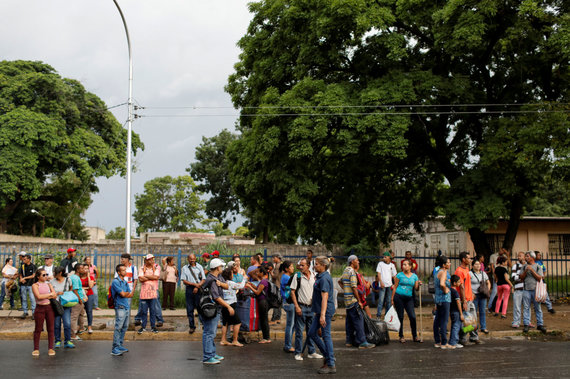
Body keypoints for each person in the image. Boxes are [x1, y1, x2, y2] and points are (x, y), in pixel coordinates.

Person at [308, 256, 336, 374]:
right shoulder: (320, 277)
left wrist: (323, 315)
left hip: (324, 311)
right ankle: (328, 356)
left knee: (326, 336)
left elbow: (325, 297)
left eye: (317, 264)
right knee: (312, 333)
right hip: (319, 311)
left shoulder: (324, 278)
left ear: (323, 265)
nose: (315, 266)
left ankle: (331, 364)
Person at [201, 258, 232, 364]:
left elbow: (227, 286)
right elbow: (216, 297)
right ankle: (208, 356)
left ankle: (212, 353)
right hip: (210, 309)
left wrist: (221, 284)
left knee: (211, 332)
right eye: (221, 266)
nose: (222, 268)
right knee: (209, 332)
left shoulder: (218, 277)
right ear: (218, 267)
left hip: (215, 308)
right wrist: (228, 306)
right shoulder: (211, 280)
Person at [340, 255, 374, 349]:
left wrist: (346, 290)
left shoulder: (345, 270)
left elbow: (340, 281)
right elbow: (354, 287)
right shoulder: (352, 272)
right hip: (353, 300)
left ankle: (349, 341)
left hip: (347, 301)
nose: (358, 262)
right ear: (352, 262)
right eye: (357, 260)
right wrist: (359, 301)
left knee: (350, 322)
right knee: (359, 320)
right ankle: (362, 341)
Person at [290, 258, 321, 361]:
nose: (301, 267)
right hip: (301, 307)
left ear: (308, 266)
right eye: (300, 265)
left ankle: (311, 351)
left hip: (312, 308)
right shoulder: (297, 276)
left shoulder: (314, 276)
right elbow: (293, 292)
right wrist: (297, 306)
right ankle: (298, 352)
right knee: (299, 331)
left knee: (311, 331)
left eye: (303, 265)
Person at [391, 259, 422, 343]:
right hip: (399, 297)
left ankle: (415, 336)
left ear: (410, 266)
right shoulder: (399, 275)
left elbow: (416, 288)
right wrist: (392, 299)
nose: (403, 266)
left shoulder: (414, 276)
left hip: (409, 298)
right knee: (400, 317)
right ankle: (401, 336)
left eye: (405, 264)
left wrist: (418, 284)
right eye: (403, 265)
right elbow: (395, 287)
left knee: (412, 316)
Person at [454, 252, 479, 345]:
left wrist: (471, 293)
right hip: (465, 300)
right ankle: (463, 338)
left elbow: (467, 284)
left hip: (469, 299)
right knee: (467, 321)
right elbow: (461, 287)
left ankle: (474, 336)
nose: (470, 260)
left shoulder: (467, 269)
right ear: (463, 259)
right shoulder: (459, 271)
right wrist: (464, 301)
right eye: (468, 258)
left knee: (473, 320)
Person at [31, 268, 57, 356]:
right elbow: (38, 296)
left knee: (51, 328)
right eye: (43, 275)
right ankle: (36, 348)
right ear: (38, 276)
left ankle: (50, 348)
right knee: (38, 329)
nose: (46, 276)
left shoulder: (49, 284)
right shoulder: (35, 285)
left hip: (49, 307)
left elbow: (54, 295)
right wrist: (49, 295)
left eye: (46, 274)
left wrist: (47, 295)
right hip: (39, 308)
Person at [218, 266, 246, 347]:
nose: (233, 275)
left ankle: (223, 340)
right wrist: (244, 279)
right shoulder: (230, 283)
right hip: (231, 305)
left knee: (225, 323)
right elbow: (241, 286)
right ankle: (235, 340)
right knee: (237, 323)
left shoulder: (222, 283)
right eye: (231, 273)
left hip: (224, 305)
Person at [519, 251, 546, 334]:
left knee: (537, 308)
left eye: (527, 256)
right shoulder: (524, 267)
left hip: (535, 290)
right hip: (526, 289)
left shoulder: (538, 266)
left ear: (532, 257)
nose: (525, 258)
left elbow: (540, 278)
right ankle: (526, 324)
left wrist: (532, 270)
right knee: (526, 307)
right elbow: (521, 278)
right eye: (526, 256)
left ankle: (540, 324)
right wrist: (526, 271)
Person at [110, 264, 134, 356]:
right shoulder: (116, 282)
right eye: (123, 270)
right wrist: (125, 293)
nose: (125, 272)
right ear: (119, 272)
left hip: (126, 306)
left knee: (124, 327)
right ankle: (114, 348)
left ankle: (120, 345)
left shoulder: (124, 282)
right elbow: (123, 294)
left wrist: (125, 293)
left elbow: (130, 294)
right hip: (120, 307)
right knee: (118, 327)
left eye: (125, 270)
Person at [246, 266, 272, 343]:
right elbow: (258, 288)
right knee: (264, 319)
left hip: (263, 302)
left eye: (258, 272)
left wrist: (249, 287)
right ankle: (267, 337)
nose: (257, 273)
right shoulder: (263, 281)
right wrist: (252, 285)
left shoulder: (263, 282)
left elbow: (257, 292)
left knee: (264, 320)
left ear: (262, 273)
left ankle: (266, 338)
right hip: (263, 302)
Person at [181, 253, 205, 334]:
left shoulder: (200, 267)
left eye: (193, 258)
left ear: (195, 258)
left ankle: (204, 325)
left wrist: (197, 287)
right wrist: (194, 285)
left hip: (199, 289)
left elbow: (203, 279)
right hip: (189, 289)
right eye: (191, 259)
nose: (192, 260)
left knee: (200, 307)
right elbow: (184, 280)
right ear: (188, 259)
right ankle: (192, 326)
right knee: (189, 309)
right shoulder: (184, 268)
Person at [51, 267, 74, 349]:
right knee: (56, 324)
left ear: (60, 273)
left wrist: (65, 293)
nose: (53, 274)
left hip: (66, 305)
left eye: (55, 272)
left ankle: (67, 340)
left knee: (67, 323)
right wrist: (57, 293)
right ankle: (57, 340)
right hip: (56, 305)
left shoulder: (68, 280)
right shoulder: (52, 281)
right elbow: (50, 292)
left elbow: (71, 289)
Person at [138, 254, 161, 334]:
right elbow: (140, 278)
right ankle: (143, 326)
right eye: (150, 259)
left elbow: (156, 277)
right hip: (144, 293)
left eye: (152, 259)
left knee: (153, 311)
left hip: (153, 293)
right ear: (146, 261)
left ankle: (153, 326)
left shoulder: (156, 267)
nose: (152, 261)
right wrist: (151, 277)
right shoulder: (141, 268)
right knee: (144, 311)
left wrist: (146, 276)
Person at [433, 255, 451, 349]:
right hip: (444, 299)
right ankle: (444, 342)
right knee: (444, 320)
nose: (450, 264)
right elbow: (442, 284)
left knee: (437, 320)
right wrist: (445, 290)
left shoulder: (437, 272)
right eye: (448, 262)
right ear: (444, 265)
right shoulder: (443, 272)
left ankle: (437, 341)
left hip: (438, 299)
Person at [278, 260, 295, 353]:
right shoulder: (286, 278)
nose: (293, 268)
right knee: (290, 325)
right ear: (286, 268)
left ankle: (288, 344)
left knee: (292, 325)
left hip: (288, 302)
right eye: (291, 266)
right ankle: (288, 345)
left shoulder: (286, 277)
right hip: (288, 303)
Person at [469, 259, 490, 334]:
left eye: (479, 264)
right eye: (476, 264)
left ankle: (483, 327)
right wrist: (471, 293)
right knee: (473, 312)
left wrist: (487, 290)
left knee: (482, 311)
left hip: (482, 295)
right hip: (474, 295)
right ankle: (474, 328)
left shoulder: (483, 273)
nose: (478, 266)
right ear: (472, 265)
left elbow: (488, 282)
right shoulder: (470, 273)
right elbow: (467, 285)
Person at [376, 251, 397, 318]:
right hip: (382, 285)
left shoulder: (392, 265)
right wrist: (381, 282)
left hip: (390, 285)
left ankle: (387, 316)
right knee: (381, 301)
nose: (384, 258)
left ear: (389, 257)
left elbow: (394, 276)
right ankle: (378, 315)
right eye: (383, 257)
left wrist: (395, 285)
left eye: (385, 257)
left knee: (388, 301)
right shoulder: (380, 264)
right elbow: (378, 273)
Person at [68, 264, 86, 341]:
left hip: (79, 299)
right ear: (78, 270)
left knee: (81, 314)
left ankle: (81, 328)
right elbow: (75, 290)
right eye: (82, 268)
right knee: (74, 317)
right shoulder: (75, 278)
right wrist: (79, 299)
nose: (84, 270)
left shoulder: (75, 277)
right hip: (76, 300)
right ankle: (72, 335)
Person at [447, 275, 464, 349]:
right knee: (456, 327)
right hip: (456, 311)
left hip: (451, 311)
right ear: (454, 283)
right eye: (459, 282)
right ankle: (453, 342)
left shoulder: (449, 290)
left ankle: (452, 341)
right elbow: (458, 303)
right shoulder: (455, 292)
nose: (460, 283)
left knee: (454, 326)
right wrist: (461, 314)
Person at [78, 263, 96, 334]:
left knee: (89, 311)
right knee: (79, 311)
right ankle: (80, 327)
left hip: (89, 295)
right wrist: (84, 289)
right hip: (81, 296)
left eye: (87, 269)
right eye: (84, 268)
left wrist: (88, 276)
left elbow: (90, 286)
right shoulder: (78, 277)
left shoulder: (91, 277)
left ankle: (89, 326)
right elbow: (77, 287)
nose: (85, 270)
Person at [19, 252, 37, 318]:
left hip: (30, 284)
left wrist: (25, 278)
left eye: (25, 259)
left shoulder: (33, 266)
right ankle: (25, 311)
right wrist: (21, 279)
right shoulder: (23, 266)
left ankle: (33, 312)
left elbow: (33, 275)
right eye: (23, 259)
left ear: (29, 259)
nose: (24, 260)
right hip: (23, 284)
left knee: (32, 298)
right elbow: (20, 273)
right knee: (24, 298)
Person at [511, 251, 526, 328]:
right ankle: (516, 322)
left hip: (526, 289)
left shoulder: (528, 266)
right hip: (518, 289)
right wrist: (522, 276)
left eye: (520, 256)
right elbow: (513, 277)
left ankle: (527, 322)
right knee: (517, 306)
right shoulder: (515, 266)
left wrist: (519, 276)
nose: (519, 257)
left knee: (527, 307)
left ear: (524, 257)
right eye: (518, 256)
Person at [271, 254, 283, 324]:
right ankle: (278, 318)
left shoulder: (277, 266)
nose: (273, 259)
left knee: (276, 303)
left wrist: (270, 272)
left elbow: (275, 276)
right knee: (279, 302)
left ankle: (275, 318)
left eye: (274, 257)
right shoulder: (281, 264)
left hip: (277, 285)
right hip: (280, 285)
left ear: (278, 258)